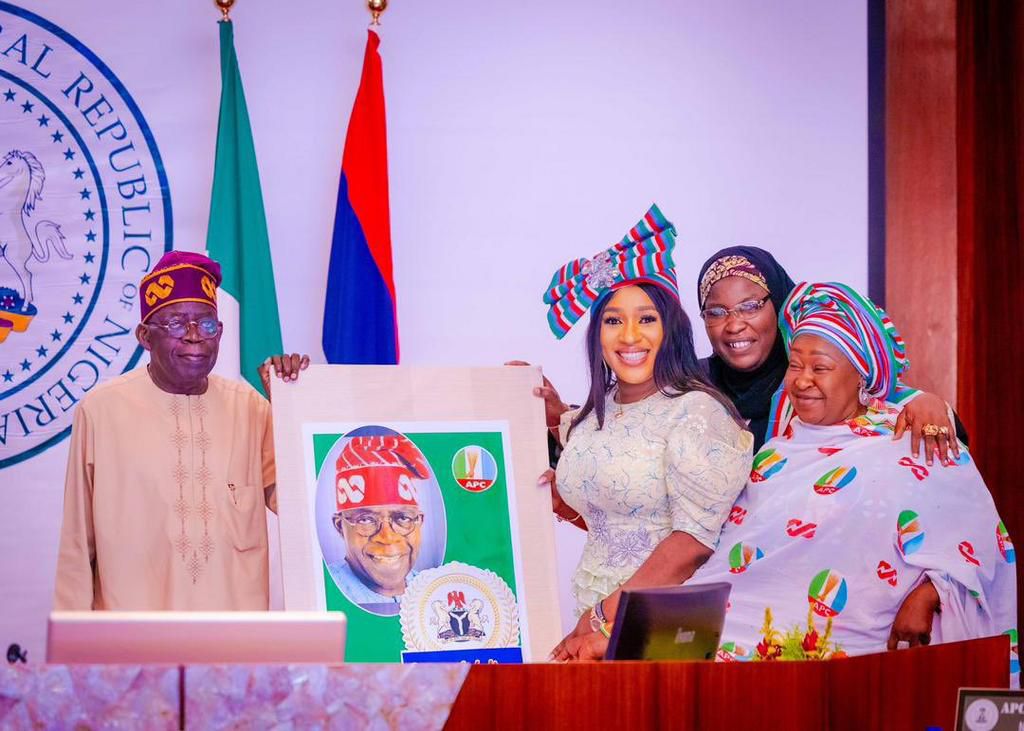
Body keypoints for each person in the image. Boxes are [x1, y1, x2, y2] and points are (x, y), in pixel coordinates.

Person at [688, 282, 1016, 678]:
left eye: (820, 368)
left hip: (861, 653)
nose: (803, 381)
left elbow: (975, 540)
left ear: (860, 375)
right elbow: (737, 557)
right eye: (795, 365)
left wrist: (932, 593)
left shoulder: (911, 439)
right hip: (749, 640)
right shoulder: (775, 453)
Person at [541, 205, 754, 662]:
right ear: (597, 333)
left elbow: (691, 544)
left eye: (647, 319)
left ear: (672, 330)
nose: (629, 336)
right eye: (613, 320)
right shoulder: (597, 415)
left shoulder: (697, 413)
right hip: (593, 622)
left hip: (664, 628)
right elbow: (621, 513)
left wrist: (601, 616)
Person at [53, 251, 308, 611]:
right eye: (176, 324)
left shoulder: (251, 408)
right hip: (134, 643)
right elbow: (78, 544)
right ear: (144, 336)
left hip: (233, 643)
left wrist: (294, 408)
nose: (194, 338)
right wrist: (75, 651)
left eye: (207, 325)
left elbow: (303, 506)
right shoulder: (102, 410)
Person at [697, 246, 965, 458]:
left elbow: (890, 399)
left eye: (750, 306)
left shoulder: (809, 381)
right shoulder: (690, 384)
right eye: (716, 312)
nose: (734, 325)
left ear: (778, 304)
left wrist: (928, 404)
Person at [325, 432, 429, 616]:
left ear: (420, 522)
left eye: (403, 518)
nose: (388, 537)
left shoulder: (432, 589)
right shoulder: (324, 592)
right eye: (366, 520)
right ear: (340, 526)